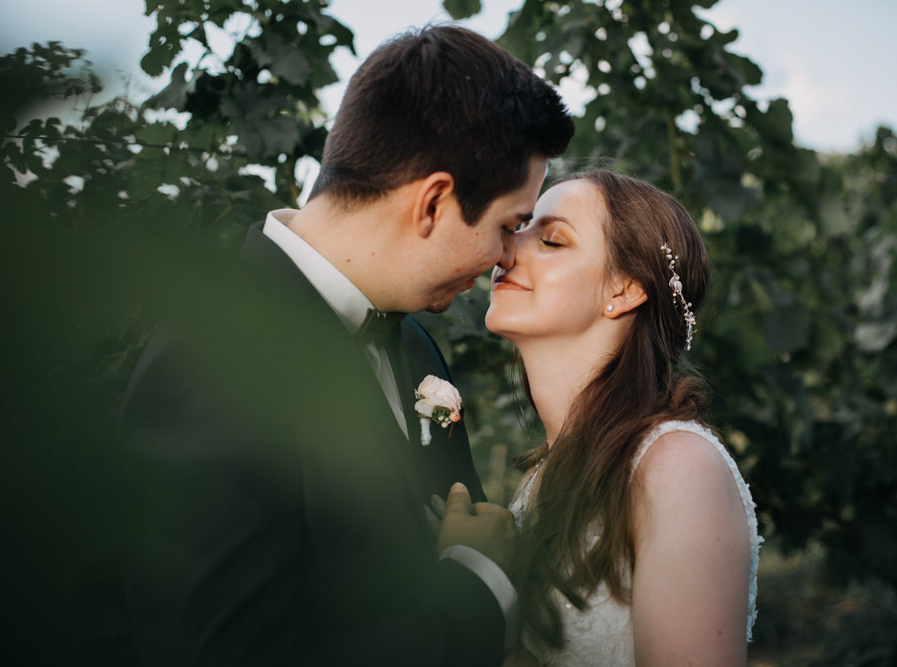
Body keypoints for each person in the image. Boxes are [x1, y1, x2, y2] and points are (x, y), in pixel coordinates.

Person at [121, 25, 573, 667]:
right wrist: (476, 582)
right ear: (434, 201)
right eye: (507, 226)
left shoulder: (416, 344)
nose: (506, 257)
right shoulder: (208, 362)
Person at [485, 169, 762, 666]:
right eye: (517, 227)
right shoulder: (542, 479)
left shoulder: (676, 468)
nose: (505, 247)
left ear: (624, 290)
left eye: (550, 239)